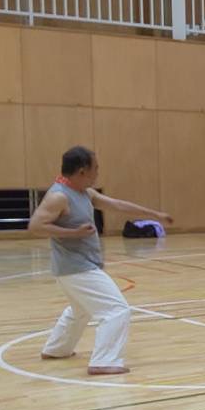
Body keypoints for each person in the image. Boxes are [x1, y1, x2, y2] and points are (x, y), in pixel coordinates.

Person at [26, 146, 173, 376]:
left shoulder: (86, 193)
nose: (98, 173)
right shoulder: (59, 196)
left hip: (75, 268)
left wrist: (154, 214)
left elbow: (117, 205)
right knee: (117, 310)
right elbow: (35, 226)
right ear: (82, 171)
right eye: (95, 168)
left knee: (80, 310)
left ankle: (56, 349)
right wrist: (74, 233)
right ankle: (104, 361)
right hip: (76, 268)